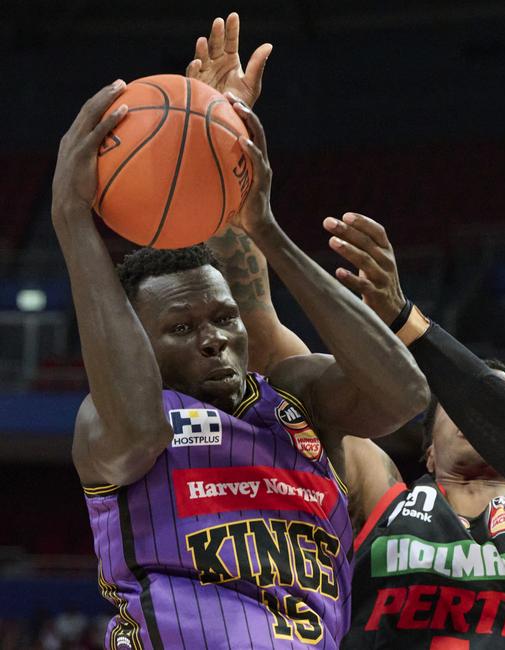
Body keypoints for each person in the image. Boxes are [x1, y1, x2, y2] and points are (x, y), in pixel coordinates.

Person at [192, 14, 505, 648]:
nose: (478, 409)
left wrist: (405, 317)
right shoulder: (381, 491)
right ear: (425, 448)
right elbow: (262, 333)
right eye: (460, 402)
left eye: (495, 398)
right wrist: (219, 138)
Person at [52, 65, 428, 650]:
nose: (214, 338)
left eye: (224, 318)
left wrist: (265, 227)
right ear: (137, 343)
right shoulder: (108, 424)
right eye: (180, 327)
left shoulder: (294, 397)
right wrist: (73, 220)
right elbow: (138, 431)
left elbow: (403, 395)